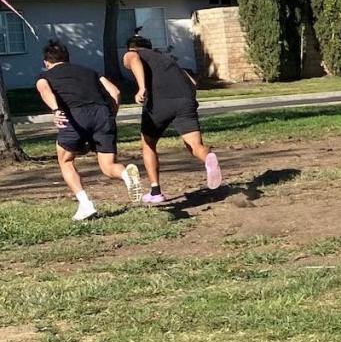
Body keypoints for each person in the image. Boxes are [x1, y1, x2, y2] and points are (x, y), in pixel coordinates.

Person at [35, 40, 142, 221]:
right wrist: (111, 115)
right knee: (108, 167)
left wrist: (56, 110)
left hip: (75, 115)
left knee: (66, 161)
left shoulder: (45, 76)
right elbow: (114, 92)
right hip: (102, 114)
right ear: (67, 58)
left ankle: (86, 204)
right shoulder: (90, 72)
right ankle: (125, 175)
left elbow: (44, 89)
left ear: (46, 62)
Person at [123, 35, 222, 204]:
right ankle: (208, 158)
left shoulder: (132, 53)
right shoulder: (166, 59)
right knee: (195, 145)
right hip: (185, 101)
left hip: (159, 102)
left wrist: (141, 88)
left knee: (148, 144)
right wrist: (190, 100)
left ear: (132, 47)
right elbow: (191, 81)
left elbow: (133, 60)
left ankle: (155, 191)